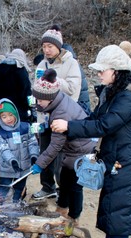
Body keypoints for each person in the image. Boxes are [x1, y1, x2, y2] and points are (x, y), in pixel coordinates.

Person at [51, 42, 131, 238]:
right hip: (116, 159)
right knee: (111, 204)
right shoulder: (112, 94)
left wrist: (69, 125)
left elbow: (104, 125)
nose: (98, 75)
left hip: (128, 161)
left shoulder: (127, 98)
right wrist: (69, 119)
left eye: (102, 70)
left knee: (121, 208)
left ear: (116, 72)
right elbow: (92, 118)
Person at [30, 69, 95, 228]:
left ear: (48, 98)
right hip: (73, 149)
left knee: (74, 186)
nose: (37, 102)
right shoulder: (57, 100)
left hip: (81, 150)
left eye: (39, 99)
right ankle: (61, 210)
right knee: (65, 181)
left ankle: (73, 218)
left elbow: (55, 145)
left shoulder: (61, 113)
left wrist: (40, 163)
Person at [32, 25, 84, 200]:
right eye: (44, 46)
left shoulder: (71, 62)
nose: (46, 50)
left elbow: (72, 90)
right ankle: (47, 187)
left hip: (63, 118)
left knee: (61, 156)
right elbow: (37, 91)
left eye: (50, 46)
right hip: (44, 117)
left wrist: (54, 79)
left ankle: (64, 189)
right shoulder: (41, 63)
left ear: (58, 47)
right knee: (44, 151)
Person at [0, 98, 39, 201]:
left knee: (19, 188)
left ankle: (15, 205)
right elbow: (4, 150)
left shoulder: (26, 127)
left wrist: (34, 156)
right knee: (3, 187)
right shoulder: (0, 134)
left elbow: (32, 142)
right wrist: (12, 161)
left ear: (15, 113)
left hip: (24, 167)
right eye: (4, 116)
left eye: (10, 115)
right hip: (8, 168)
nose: (8, 119)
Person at [0, 49, 33, 123]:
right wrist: (29, 107)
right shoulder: (21, 71)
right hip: (18, 110)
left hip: (2, 109)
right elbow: (26, 92)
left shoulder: (1, 70)